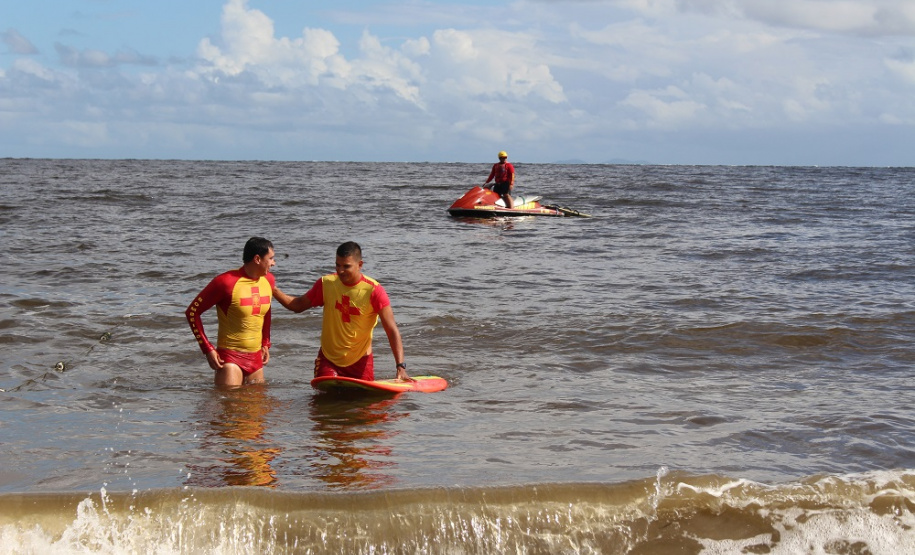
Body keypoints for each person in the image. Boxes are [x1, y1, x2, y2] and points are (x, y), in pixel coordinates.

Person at [272, 241, 411, 382]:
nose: (340, 271)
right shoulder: (326, 284)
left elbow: (391, 329)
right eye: (337, 265)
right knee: (325, 395)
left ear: (360, 265)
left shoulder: (374, 291)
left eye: (346, 266)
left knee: (364, 397)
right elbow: (298, 305)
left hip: (361, 362)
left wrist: (400, 366)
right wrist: (273, 290)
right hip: (329, 360)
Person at [186, 237, 276, 387]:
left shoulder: (269, 281)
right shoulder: (225, 282)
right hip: (230, 359)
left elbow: (265, 312)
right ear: (257, 259)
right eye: (271, 258)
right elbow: (192, 312)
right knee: (229, 401)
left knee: (260, 403)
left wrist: (265, 343)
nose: (274, 263)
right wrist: (207, 349)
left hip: (256, 359)